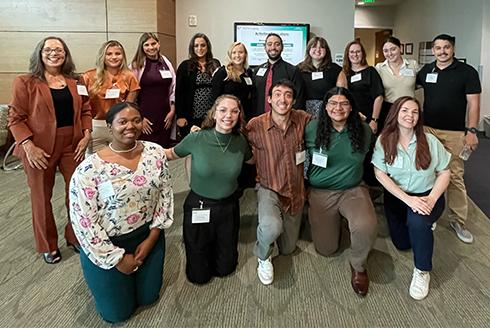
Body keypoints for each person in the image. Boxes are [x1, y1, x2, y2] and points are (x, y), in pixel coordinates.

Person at [69, 102, 173, 323]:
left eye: (136, 120)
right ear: (109, 126)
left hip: (147, 236)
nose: (130, 126)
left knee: (149, 297)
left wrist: (152, 237)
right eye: (122, 122)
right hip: (106, 244)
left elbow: (164, 195)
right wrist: (116, 260)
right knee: (116, 314)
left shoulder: (155, 153)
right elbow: (84, 222)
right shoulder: (88, 170)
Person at [8, 36, 92, 264]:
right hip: (38, 147)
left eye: (59, 49)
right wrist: (28, 145)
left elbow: (86, 110)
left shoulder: (76, 80)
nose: (54, 53)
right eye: (49, 49)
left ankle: (75, 236)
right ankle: (48, 245)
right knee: (41, 197)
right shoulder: (25, 82)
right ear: (40, 53)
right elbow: (15, 119)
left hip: (72, 145)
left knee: (77, 194)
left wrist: (86, 134)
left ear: (66, 54)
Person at [164, 95, 253, 285]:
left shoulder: (240, 142)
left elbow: (252, 159)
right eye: (223, 110)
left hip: (228, 206)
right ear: (214, 113)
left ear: (239, 115)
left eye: (234, 111)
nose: (228, 115)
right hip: (200, 204)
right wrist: (136, 149)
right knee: (199, 275)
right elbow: (170, 154)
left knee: (225, 268)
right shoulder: (197, 138)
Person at [372, 96, 451, 300]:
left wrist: (432, 200)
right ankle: (423, 225)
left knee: (418, 223)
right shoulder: (384, 140)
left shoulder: (430, 140)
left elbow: (445, 172)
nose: (410, 116)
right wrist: (408, 200)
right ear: (396, 114)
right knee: (403, 244)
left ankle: (422, 271)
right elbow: (380, 173)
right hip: (398, 198)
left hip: (426, 195)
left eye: (415, 112)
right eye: (405, 110)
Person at [305, 87, 377, 296]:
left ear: (351, 107)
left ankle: (358, 265)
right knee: (326, 249)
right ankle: (338, 222)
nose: (338, 108)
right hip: (321, 192)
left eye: (344, 103)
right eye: (333, 103)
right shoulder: (311, 128)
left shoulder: (362, 130)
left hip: (352, 189)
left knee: (366, 227)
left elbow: (378, 151)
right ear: (325, 107)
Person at [245, 79, 314, 285]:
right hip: (269, 186)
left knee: (287, 249)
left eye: (287, 95)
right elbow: (229, 135)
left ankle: (278, 231)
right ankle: (263, 255)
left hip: (295, 189)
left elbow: (330, 119)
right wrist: (202, 130)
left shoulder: (303, 119)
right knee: (271, 228)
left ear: (293, 101)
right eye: (277, 94)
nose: (282, 99)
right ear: (269, 99)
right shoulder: (255, 125)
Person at [416, 34, 481, 244]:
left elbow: (474, 104)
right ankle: (430, 213)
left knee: (454, 174)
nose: (442, 51)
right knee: (427, 172)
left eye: (446, 47)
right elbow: (407, 85)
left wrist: (471, 130)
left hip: (454, 132)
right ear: (432, 50)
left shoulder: (467, 72)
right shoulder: (426, 71)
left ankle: (458, 219)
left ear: (453, 49)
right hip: (428, 129)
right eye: (437, 48)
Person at [83, 40, 140, 154]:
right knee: (97, 164)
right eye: (109, 54)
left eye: (117, 54)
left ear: (123, 56)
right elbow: (83, 106)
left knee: (121, 161)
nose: (114, 57)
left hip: (120, 126)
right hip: (96, 127)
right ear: (102, 56)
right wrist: (86, 130)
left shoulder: (129, 76)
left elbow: (129, 108)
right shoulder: (89, 76)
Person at [129, 33, 176, 148]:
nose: (151, 47)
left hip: (165, 117)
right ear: (142, 47)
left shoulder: (165, 61)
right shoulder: (136, 66)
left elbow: (174, 88)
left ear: (158, 44)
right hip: (145, 116)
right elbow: (131, 95)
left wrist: (172, 112)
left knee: (163, 151)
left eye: (153, 43)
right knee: (145, 152)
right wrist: (139, 118)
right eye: (147, 45)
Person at [175, 33, 220, 138]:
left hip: (211, 113)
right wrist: (180, 116)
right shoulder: (185, 66)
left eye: (203, 45)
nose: (200, 48)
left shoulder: (215, 64)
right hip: (192, 114)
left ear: (208, 47)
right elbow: (179, 92)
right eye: (196, 45)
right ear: (192, 48)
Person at [251, 33, 305, 118]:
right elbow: (253, 97)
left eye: (277, 44)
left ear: (282, 48)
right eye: (269, 44)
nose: (273, 47)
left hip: (285, 120)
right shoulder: (257, 71)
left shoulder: (292, 70)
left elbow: (299, 98)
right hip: (260, 119)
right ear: (265, 48)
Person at [338, 40, 384, 134]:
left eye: (358, 51)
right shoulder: (344, 73)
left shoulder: (371, 72)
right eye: (352, 52)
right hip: (350, 116)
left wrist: (374, 120)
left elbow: (379, 97)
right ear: (347, 54)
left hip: (368, 117)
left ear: (362, 53)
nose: (355, 54)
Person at [375, 36, 420, 130]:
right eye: (385, 50)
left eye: (393, 49)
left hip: (409, 109)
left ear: (401, 48)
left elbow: (418, 84)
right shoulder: (379, 68)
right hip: (388, 109)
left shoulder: (413, 65)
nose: (389, 53)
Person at [298, 37, 342, 117]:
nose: (318, 50)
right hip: (305, 113)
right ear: (308, 49)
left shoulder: (335, 69)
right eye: (314, 46)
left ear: (326, 51)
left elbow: (342, 92)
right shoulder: (299, 69)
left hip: (329, 112)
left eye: (322, 47)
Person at [212, 42, 254, 120]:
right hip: (227, 116)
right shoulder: (222, 72)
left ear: (245, 55)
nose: (237, 55)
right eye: (234, 52)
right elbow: (215, 97)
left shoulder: (248, 73)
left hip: (245, 116)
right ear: (230, 55)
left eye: (240, 52)